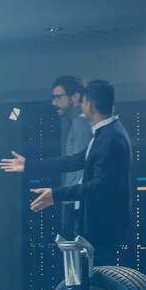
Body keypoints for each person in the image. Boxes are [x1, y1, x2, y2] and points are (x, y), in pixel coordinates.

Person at [0, 80, 132, 266]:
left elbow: (99, 186)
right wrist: (29, 165)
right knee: (87, 277)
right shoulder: (105, 133)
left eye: (83, 101)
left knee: (95, 280)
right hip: (98, 223)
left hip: (102, 226)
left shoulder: (111, 137)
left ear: (89, 104)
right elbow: (75, 160)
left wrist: (56, 194)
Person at [51, 76, 93, 239]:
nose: (54, 103)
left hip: (78, 204)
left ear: (75, 97)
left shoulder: (81, 122)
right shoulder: (78, 121)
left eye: (58, 97)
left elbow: (83, 165)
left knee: (77, 259)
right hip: (76, 201)